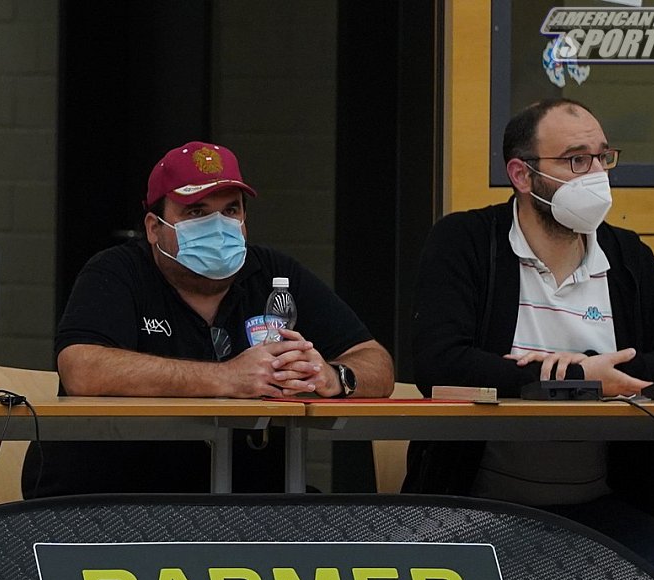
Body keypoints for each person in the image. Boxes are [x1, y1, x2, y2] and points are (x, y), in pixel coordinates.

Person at [405, 99, 654, 580]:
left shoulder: (625, 254)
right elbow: (439, 362)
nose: (596, 174)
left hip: (606, 506)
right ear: (522, 175)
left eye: (602, 157)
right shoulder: (465, 241)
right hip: (479, 503)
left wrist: (601, 375)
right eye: (576, 160)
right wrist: (572, 377)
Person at [22, 141, 394, 497]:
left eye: (230, 211)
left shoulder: (274, 274)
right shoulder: (117, 271)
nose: (218, 227)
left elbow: (376, 361)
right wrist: (228, 377)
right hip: (113, 497)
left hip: (249, 498)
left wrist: (332, 376)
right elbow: (82, 369)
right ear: (154, 228)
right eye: (197, 212)